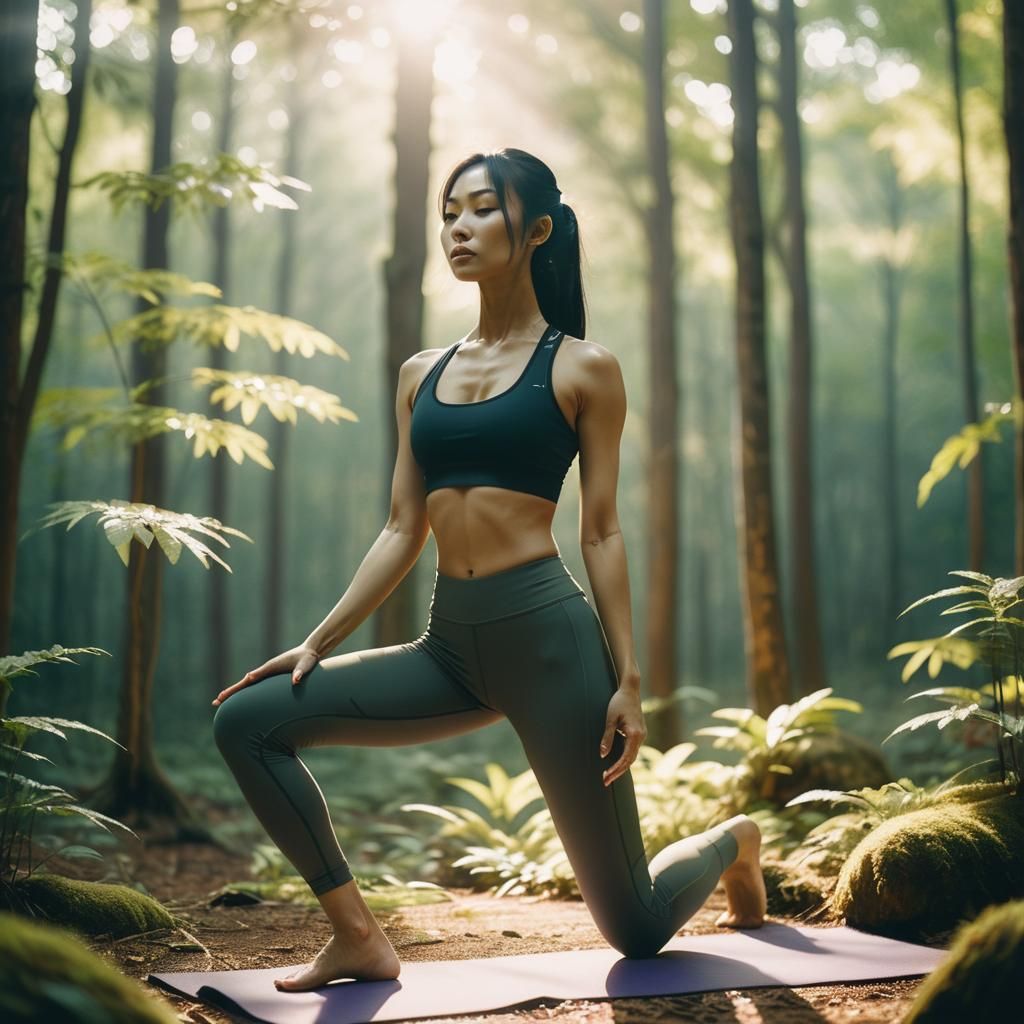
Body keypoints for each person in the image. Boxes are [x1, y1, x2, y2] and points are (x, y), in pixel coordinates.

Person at [211, 147, 767, 993]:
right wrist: (316, 642)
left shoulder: (583, 366)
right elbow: (402, 527)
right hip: (451, 650)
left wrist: (630, 677)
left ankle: (738, 842)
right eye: (449, 212)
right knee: (246, 721)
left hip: (554, 652)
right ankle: (358, 938)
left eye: (479, 210)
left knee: (639, 931)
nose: (458, 228)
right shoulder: (419, 375)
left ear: (536, 229)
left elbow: (605, 531)